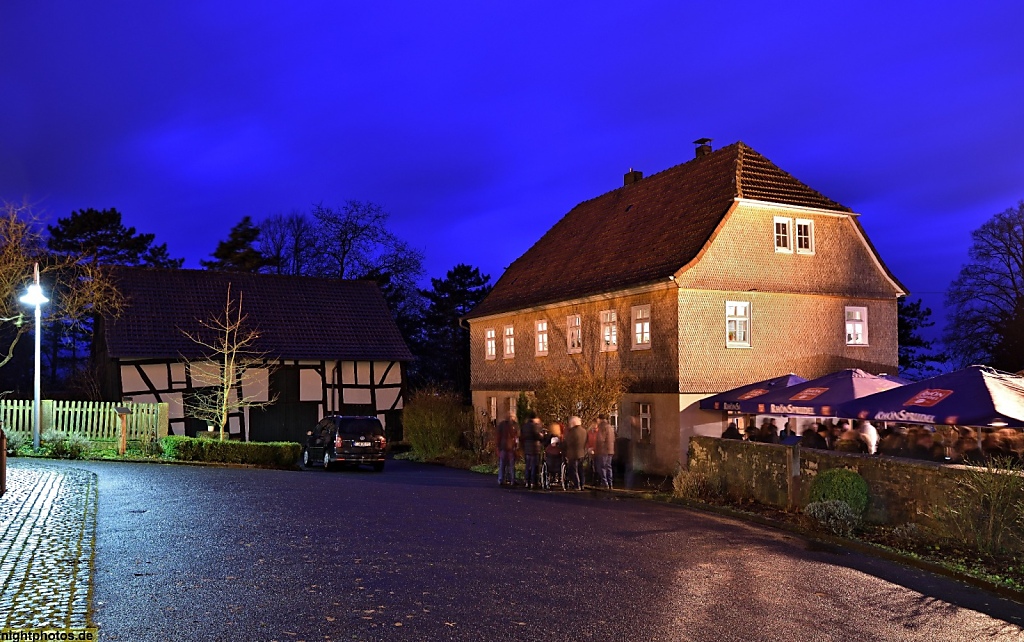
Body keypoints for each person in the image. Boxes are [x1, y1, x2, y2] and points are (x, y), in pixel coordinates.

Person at [520, 416, 544, 489]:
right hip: (534, 449)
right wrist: (541, 436)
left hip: (527, 449)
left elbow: (522, 437)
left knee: (528, 466)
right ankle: (533, 482)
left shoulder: (524, 426)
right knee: (534, 466)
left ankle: (527, 481)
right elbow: (537, 436)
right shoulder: (534, 426)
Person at [564, 416, 587, 491]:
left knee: (574, 470)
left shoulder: (572, 432)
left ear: (573, 423)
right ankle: (582, 484)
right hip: (582, 453)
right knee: (581, 469)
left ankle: (577, 485)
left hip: (573, 453)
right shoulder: (584, 431)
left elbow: (567, 442)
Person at [495, 417, 519, 487]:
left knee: (502, 464)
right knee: (511, 465)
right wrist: (516, 446)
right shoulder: (513, 426)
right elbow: (516, 437)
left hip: (503, 447)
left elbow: (498, 437)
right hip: (510, 447)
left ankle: (501, 479)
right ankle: (512, 480)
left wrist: (498, 447)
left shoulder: (501, 426)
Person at [595, 415, 616, 489]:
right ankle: (610, 483)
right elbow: (613, 438)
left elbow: (600, 439)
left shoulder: (602, 427)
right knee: (609, 467)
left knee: (602, 467)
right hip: (610, 450)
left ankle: (605, 483)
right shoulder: (610, 426)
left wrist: (596, 448)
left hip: (603, 450)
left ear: (600, 419)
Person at [545, 422, 564, 488]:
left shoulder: (549, 436)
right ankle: (558, 477)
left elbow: (545, 444)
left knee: (549, 464)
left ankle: (551, 477)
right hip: (558, 455)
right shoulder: (561, 438)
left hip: (550, 456)